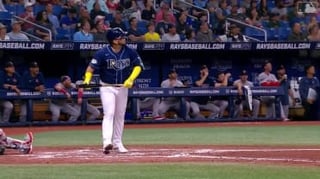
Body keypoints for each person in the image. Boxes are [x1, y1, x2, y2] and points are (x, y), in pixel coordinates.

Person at [82, 27, 144, 154]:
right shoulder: (102, 53)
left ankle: (117, 142)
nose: (124, 38)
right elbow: (90, 68)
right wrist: (87, 80)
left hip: (122, 87)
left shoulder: (129, 51)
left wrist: (131, 79)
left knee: (120, 115)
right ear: (115, 40)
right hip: (107, 87)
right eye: (121, 37)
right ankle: (106, 142)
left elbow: (138, 66)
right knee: (109, 113)